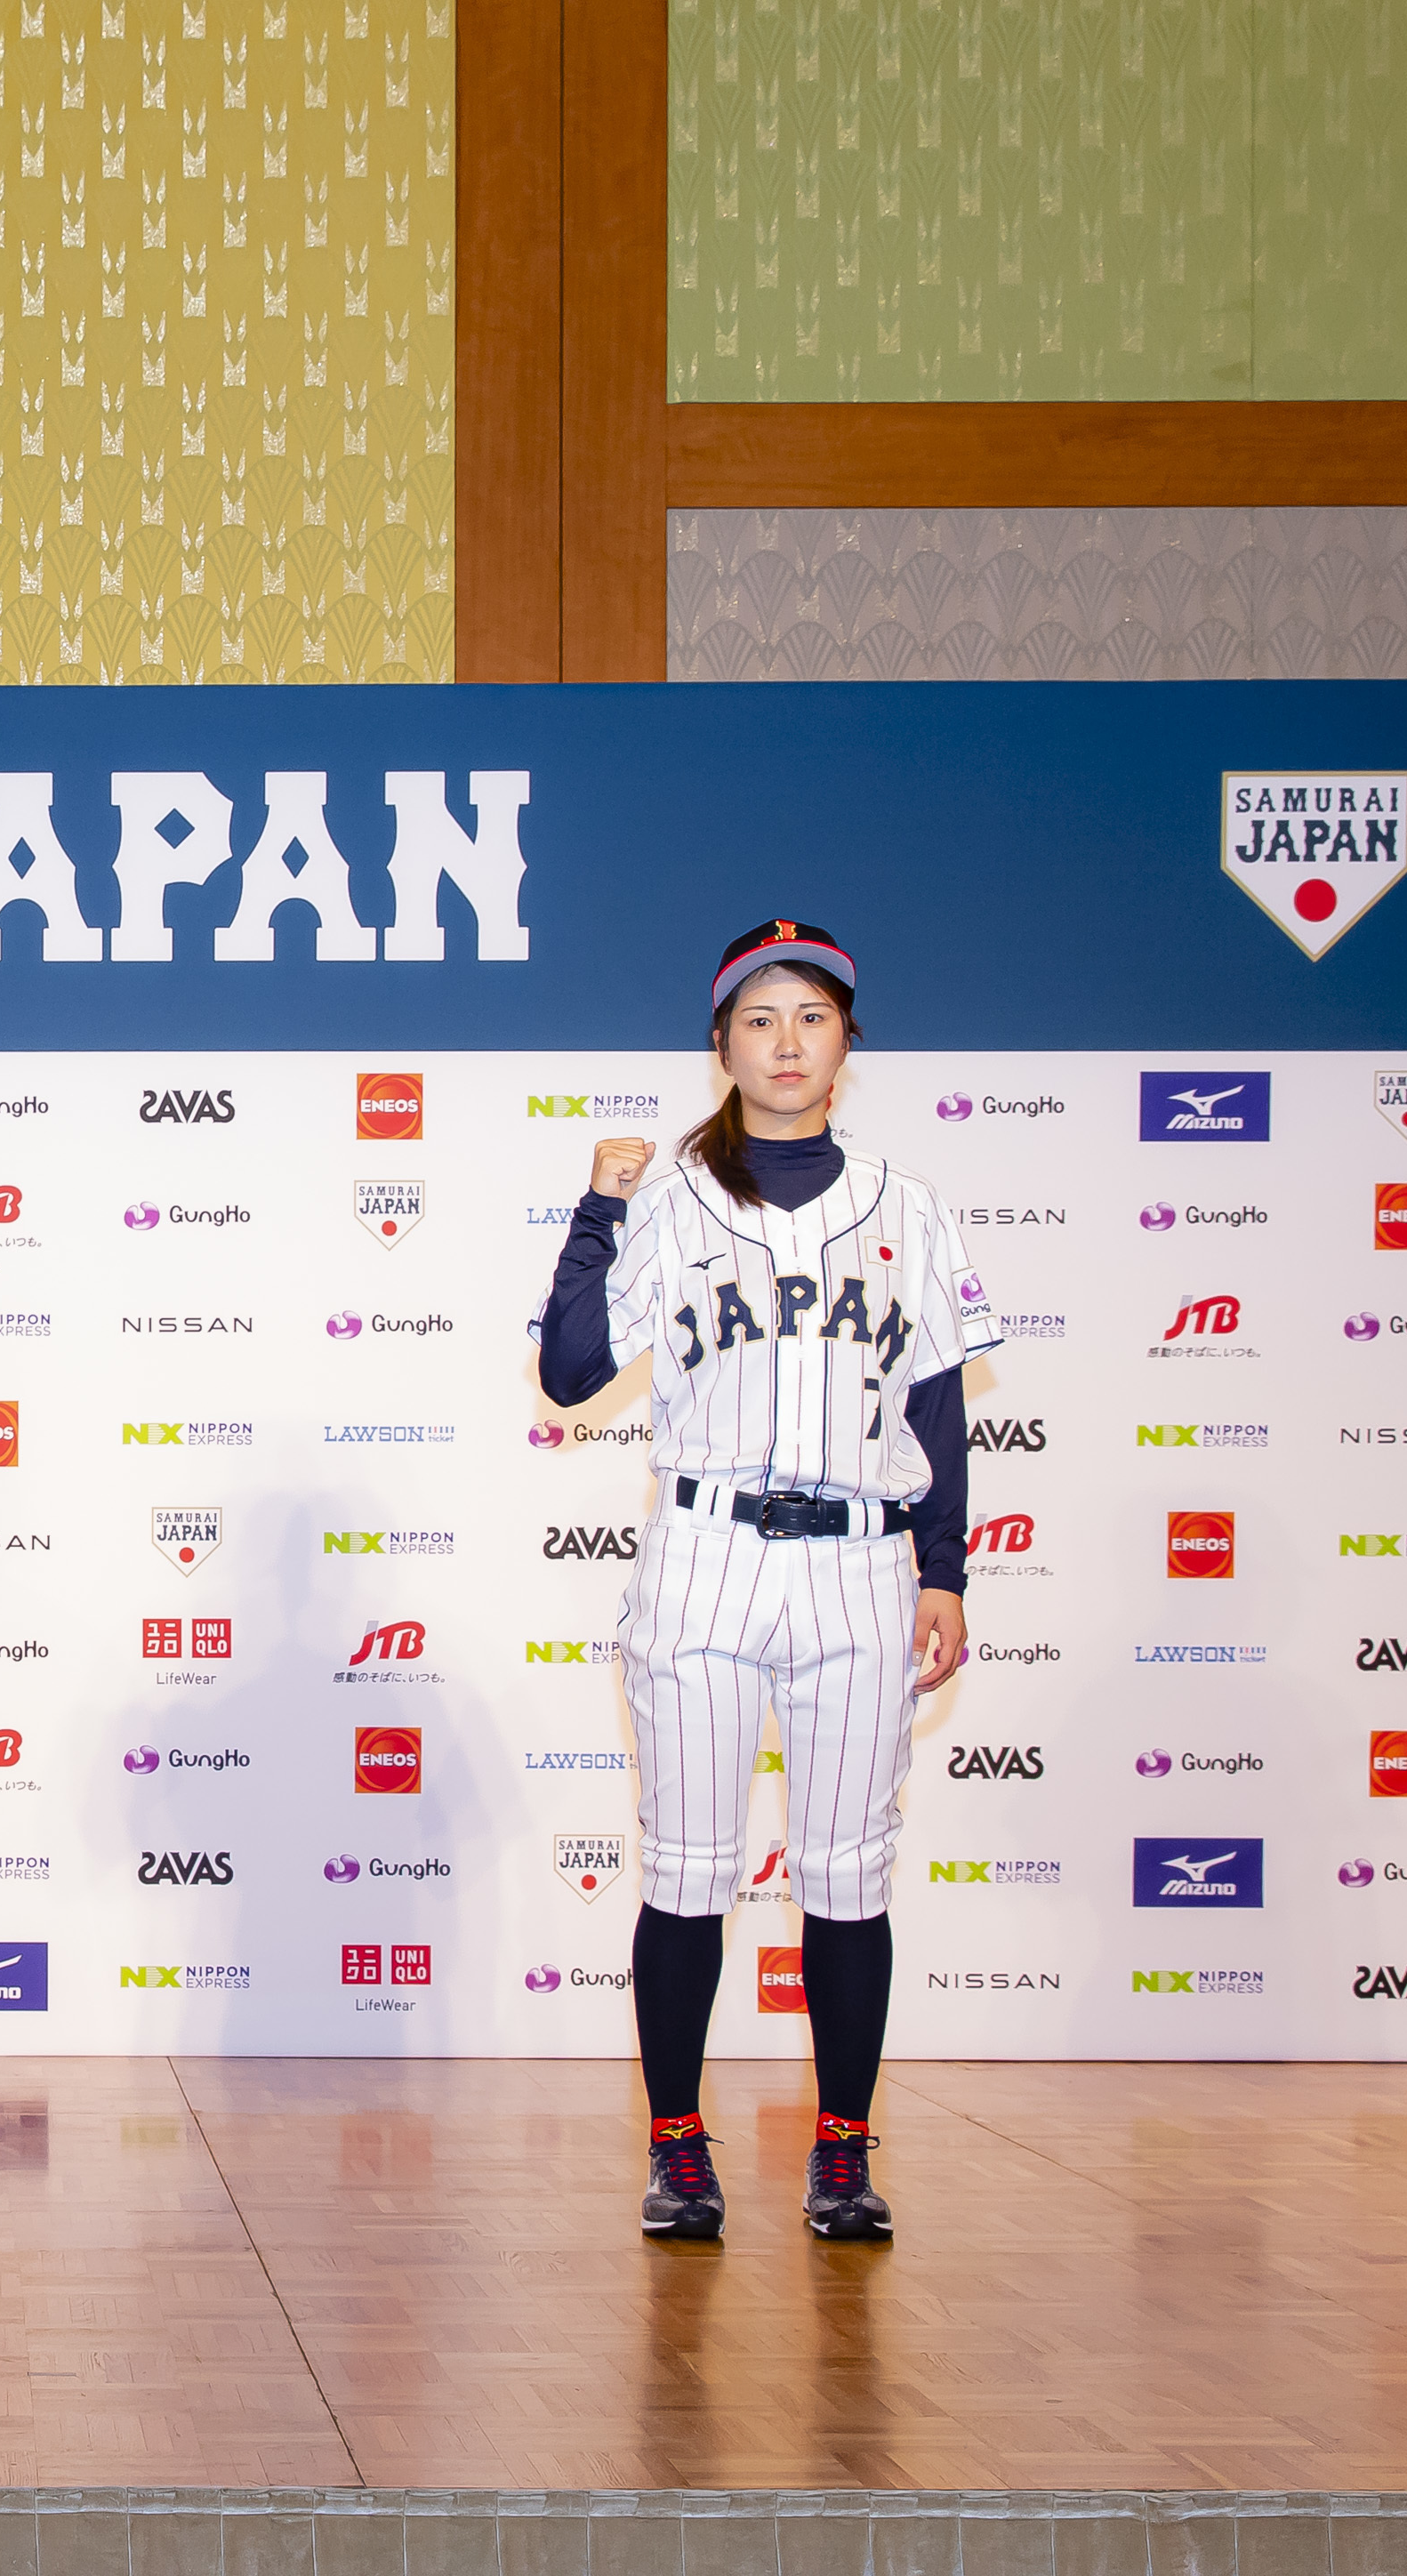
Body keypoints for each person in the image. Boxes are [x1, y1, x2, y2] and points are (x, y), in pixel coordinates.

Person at [532, 917, 992, 2244]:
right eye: (759, 1019)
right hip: (708, 1555)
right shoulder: (670, 1197)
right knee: (689, 1869)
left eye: (813, 1016)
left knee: (848, 1876)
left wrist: (946, 1570)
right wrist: (595, 1212)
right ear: (721, 1043)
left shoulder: (907, 1207)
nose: (786, 1042)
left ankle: (841, 2154)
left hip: (859, 1560)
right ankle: (680, 2150)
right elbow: (568, 1373)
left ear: (847, 1039)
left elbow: (942, 1407)